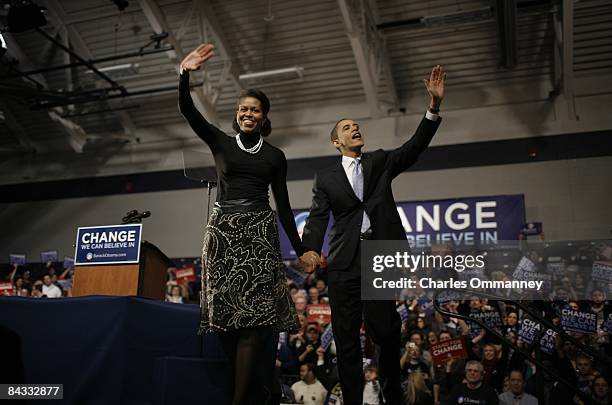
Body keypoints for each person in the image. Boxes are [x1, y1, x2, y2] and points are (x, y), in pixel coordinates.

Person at [300, 65, 445, 405]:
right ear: (337, 142)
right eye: (347, 128)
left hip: (380, 260)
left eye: (357, 126)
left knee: (387, 333)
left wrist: (433, 108)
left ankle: (392, 397)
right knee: (346, 339)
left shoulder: (379, 161)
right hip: (343, 263)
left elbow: (413, 148)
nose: (355, 129)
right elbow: (319, 217)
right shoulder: (326, 177)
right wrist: (309, 249)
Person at [178, 43, 309, 405]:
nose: (248, 113)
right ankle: (246, 389)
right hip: (223, 232)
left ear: (264, 118)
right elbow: (188, 112)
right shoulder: (220, 142)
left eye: (255, 110)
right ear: (237, 115)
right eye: (243, 109)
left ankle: (240, 401)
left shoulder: (274, 156)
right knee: (226, 321)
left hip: (258, 234)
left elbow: (283, 206)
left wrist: (302, 250)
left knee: (253, 321)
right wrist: (184, 74)